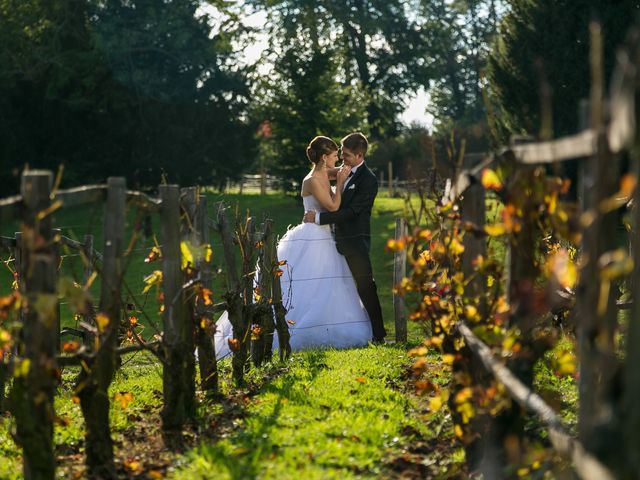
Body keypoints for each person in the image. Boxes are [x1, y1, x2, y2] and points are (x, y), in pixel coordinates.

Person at [214, 135, 373, 359]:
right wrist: (343, 184)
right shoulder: (312, 180)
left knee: (330, 283)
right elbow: (334, 207)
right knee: (310, 282)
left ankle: (334, 321)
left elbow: (341, 170)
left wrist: (347, 169)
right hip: (314, 236)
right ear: (325, 157)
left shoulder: (324, 172)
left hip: (326, 236)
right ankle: (295, 328)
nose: (338, 159)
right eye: (335, 155)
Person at [303, 132, 386, 343]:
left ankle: (379, 334)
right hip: (333, 241)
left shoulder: (368, 180)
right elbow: (319, 175)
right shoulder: (342, 171)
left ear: (359, 155)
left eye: (346, 155)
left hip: (354, 240)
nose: (341, 158)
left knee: (365, 285)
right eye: (340, 152)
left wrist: (319, 218)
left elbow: (352, 212)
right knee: (331, 285)